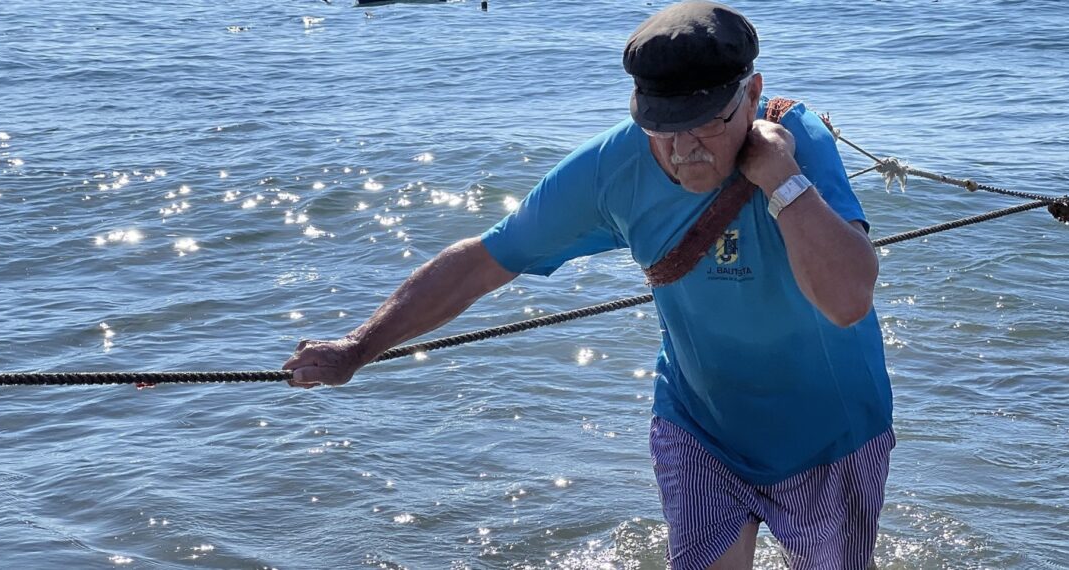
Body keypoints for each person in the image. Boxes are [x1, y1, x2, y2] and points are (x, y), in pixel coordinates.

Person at [283, 1, 893, 568]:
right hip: (700, 425)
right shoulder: (610, 170)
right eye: (664, 126)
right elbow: (485, 259)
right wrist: (358, 348)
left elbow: (847, 302)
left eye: (705, 125)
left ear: (751, 93)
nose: (684, 151)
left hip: (829, 437)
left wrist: (781, 178)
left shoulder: (798, 138)